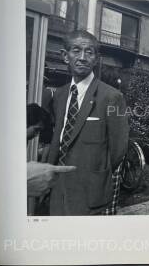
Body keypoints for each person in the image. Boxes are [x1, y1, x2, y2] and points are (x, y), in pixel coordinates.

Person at [46, 30, 129, 215]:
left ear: (96, 59)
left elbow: (118, 149)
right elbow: (57, 138)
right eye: (76, 50)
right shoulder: (59, 95)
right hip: (57, 188)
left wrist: (98, 173)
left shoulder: (112, 97)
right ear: (65, 56)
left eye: (89, 52)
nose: (83, 57)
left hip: (90, 193)